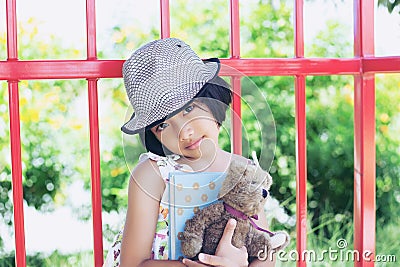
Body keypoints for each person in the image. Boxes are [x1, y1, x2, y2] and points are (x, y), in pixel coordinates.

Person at [103, 38, 276, 267]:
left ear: (212, 98)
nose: (183, 133)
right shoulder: (153, 175)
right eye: (162, 125)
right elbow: (133, 263)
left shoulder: (244, 171)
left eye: (188, 109)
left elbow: (264, 251)